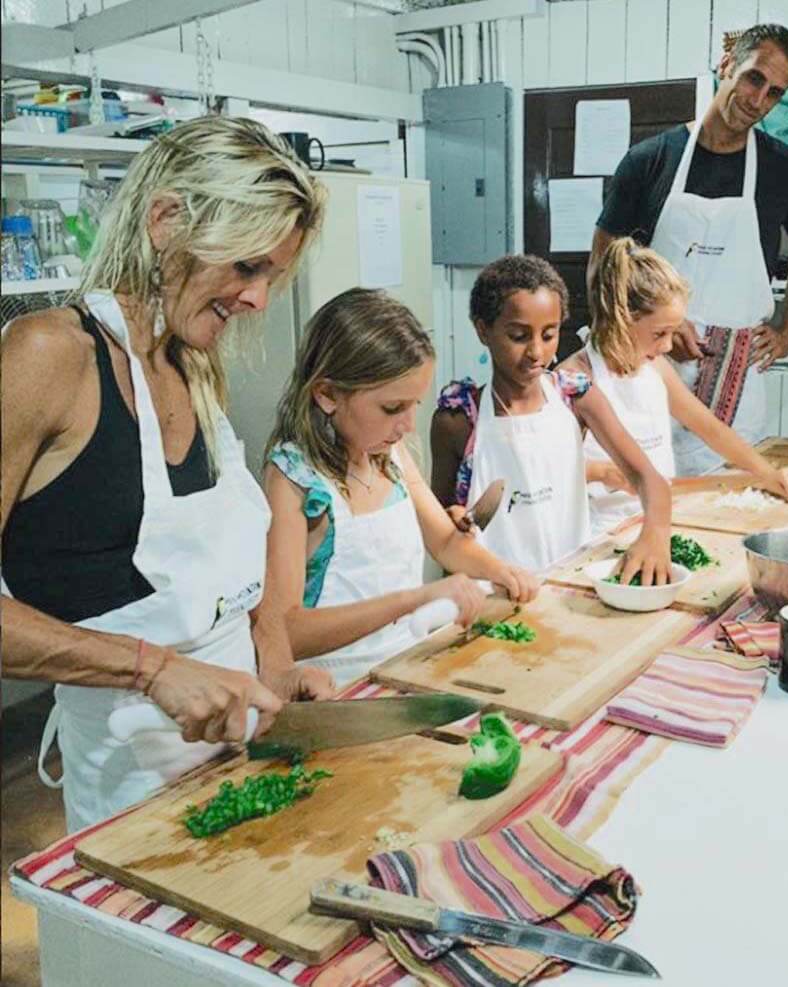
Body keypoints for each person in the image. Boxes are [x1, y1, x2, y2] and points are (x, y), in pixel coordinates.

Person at [1, 116, 333, 832]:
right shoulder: (49, 356)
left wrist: (274, 672)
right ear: (165, 221)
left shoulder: (193, 363)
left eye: (270, 275)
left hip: (236, 758)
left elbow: (229, 586)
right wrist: (152, 668)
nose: (258, 301)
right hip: (129, 792)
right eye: (246, 266)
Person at [263, 288, 540, 687]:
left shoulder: (389, 456)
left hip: (406, 669)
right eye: (393, 408)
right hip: (335, 689)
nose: (409, 425)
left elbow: (445, 543)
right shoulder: (294, 480)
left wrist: (503, 571)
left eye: (415, 405)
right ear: (326, 395)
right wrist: (416, 599)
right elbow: (286, 631)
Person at [590, 23, 788, 476]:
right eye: (754, 78)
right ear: (726, 66)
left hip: (740, 371)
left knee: (732, 498)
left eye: (775, 92)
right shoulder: (650, 160)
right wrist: (641, 329)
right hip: (650, 363)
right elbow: (604, 260)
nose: (758, 101)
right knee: (639, 486)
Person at [431, 254, 673, 583]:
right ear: (483, 330)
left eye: (549, 335)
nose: (536, 352)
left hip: (569, 586)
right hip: (491, 596)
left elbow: (651, 480)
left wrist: (655, 534)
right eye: (518, 336)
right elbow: (439, 529)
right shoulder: (458, 420)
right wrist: (454, 522)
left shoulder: (576, 398)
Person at [566, 238, 788, 534]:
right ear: (621, 318)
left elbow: (710, 428)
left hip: (662, 520)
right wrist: (601, 472)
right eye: (659, 333)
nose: (667, 346)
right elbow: (547, 470)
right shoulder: (574, 379)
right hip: (602, 530)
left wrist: (767, 473)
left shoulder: (654, 368)